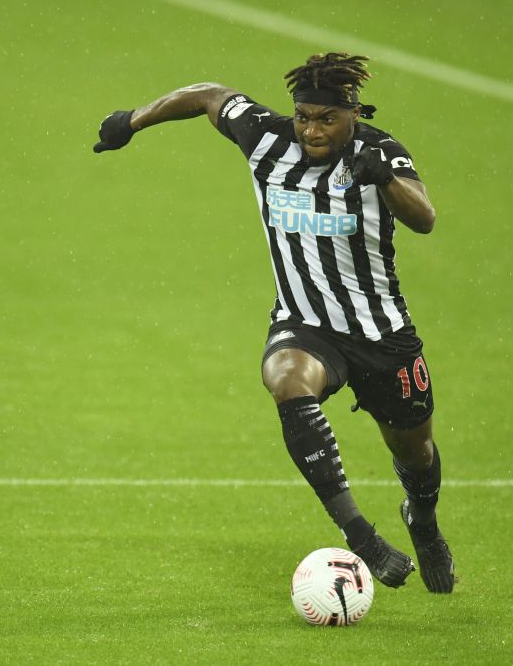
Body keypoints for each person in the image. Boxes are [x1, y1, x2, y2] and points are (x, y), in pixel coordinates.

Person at [93, 53, 454, 593]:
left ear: (352, 114)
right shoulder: (267, 138)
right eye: (304, 116)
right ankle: (361, 536)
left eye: (326, 119)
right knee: (286, 379)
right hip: (304, 323)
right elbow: (210, 94)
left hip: (381, 333)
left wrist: (385, 180)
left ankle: (422, 521)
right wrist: (134, 120)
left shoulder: (380, 151)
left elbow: (424, 217)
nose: (311, 129)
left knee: (414, 450)